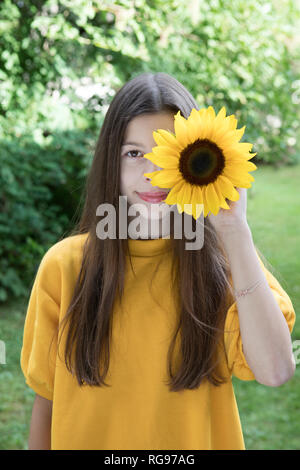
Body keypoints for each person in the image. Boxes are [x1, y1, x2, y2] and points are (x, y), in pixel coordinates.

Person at [20, 72, 296, 450]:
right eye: (134, 154)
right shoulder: (64, 267)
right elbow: (47, 399)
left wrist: (234, 231)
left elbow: (276, 370)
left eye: (170, 155)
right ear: (110, 163)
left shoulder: (223, 264)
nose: (153, 173)